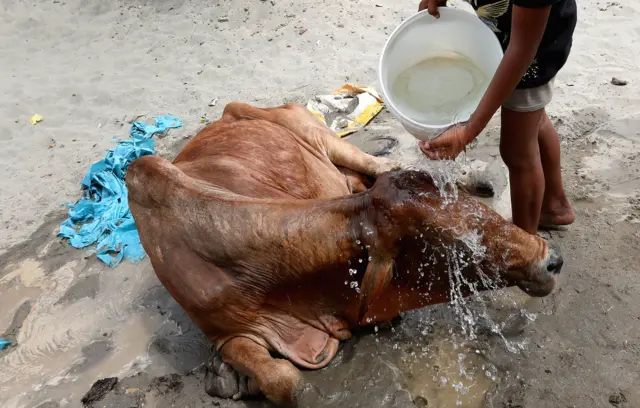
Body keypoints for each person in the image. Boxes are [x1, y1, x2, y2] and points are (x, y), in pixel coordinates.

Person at [416, 0, 577, 235]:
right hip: (501, 31)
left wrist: (469, 129)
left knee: (517, 150)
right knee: (532, 120)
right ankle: (554, 205)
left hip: (537, 48)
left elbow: (522, 50)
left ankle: (524, 248)